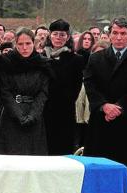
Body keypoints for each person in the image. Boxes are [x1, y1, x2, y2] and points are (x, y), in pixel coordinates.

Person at [84, 17, 127, 193]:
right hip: (102, 121)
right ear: (109, 35)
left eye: (123, 33)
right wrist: (104, 106)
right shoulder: (96, 58)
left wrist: (119, 107)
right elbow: (90, 85)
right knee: (99, 171)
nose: (119, 37)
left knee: (124, 171)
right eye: (115, 33)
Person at [0, 28, 51, 155]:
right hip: (11, 115)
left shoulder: (43, 63)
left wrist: (33, 115)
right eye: (20, 44)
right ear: (15, 44)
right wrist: (18, 115)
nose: (24, 47)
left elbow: (43, 93)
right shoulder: (6, 62)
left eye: (28, 43)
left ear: (33, 43)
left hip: (34, 115)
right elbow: (4, 91)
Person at [42, 19, 85, 155]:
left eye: (62, 35)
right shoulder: (41, 56)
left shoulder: (76, 59)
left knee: (62, 150)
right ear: (50, 35)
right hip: (43, 109)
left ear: (68, 37)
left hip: (64, 110)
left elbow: (75, 87)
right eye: (55, 34)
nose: (58, 38)